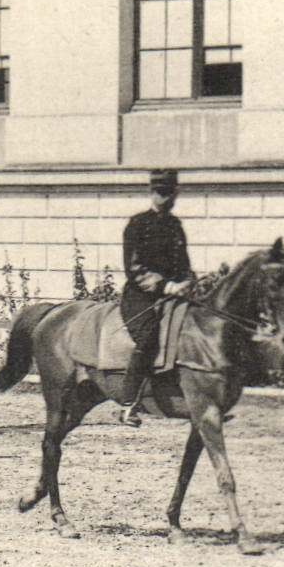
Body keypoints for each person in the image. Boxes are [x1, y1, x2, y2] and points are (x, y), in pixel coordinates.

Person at [117, 167, 195, 427]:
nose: (165, 199)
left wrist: (187, 281)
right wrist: (165, 287)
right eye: (160, 193)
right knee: (149, 338)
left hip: (173, 295)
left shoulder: (175, 226)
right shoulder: (138, 224)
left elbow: (184, 263)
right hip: (140, 297)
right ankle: (129, 403)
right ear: (151, 193)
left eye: (170, 193)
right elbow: (134, 269)